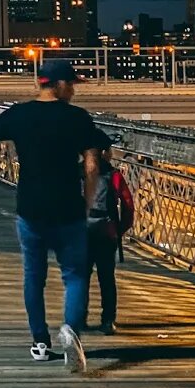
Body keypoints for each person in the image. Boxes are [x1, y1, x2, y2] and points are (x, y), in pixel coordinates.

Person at [0, 59, 100, 373]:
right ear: (60, 85)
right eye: (72, 84)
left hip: (31, 209)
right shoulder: (79, 118)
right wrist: (87, 204)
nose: (74, 89)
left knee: (33, 277)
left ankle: (39, 341)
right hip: (69, 209)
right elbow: (91, 166)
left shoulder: (20, 114)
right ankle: (71, 333)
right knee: (75, 276)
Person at [84, 129, 134, 335]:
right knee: (107, 278)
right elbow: (128, 205)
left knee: (81, 278)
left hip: (81, 234)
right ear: (105, 152)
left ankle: (79, 318)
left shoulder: (77, 173)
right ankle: (107, 320)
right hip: (107, 233)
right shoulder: (114, 176)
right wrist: (120, 229)